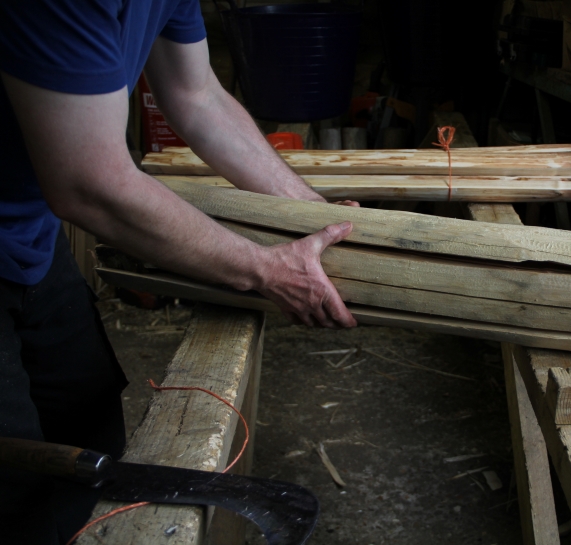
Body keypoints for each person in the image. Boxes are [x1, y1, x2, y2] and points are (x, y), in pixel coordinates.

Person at [0, 1, 358, 542]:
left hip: (28, 236)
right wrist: (263, 268)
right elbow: (87, 183)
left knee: (88, 422)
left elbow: (198, 96)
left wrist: (308, 213)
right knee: (14, 483)